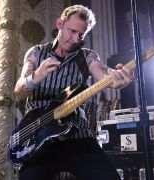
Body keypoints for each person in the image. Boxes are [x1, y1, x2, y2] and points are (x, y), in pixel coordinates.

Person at [14, 4, 133, 180]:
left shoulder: (86, 56)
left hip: (77, 136)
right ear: (59, 24)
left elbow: (102, 73)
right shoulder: (36, 54)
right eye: (72, 31)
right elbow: (19, 91)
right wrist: (36, 76)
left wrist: (117, 81)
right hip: (37, 141)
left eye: (81, 35)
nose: (76, 39)